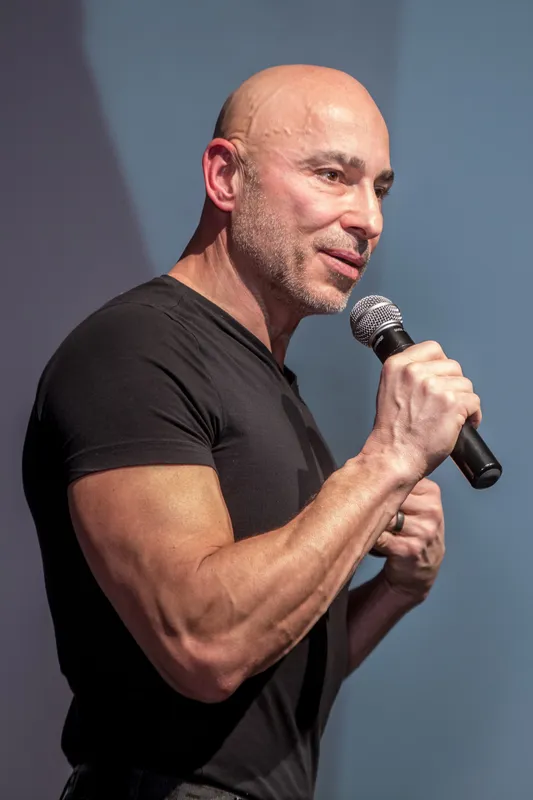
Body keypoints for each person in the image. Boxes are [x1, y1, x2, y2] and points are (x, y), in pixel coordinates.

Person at [23, 64, 480, 800]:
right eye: (333, 175)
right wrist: (387, 462)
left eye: (380, 189)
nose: (369, 218)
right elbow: (206, 644)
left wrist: (395, 591)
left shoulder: (277, 393)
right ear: (225, 177)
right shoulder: (135, 350)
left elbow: (270, 689)